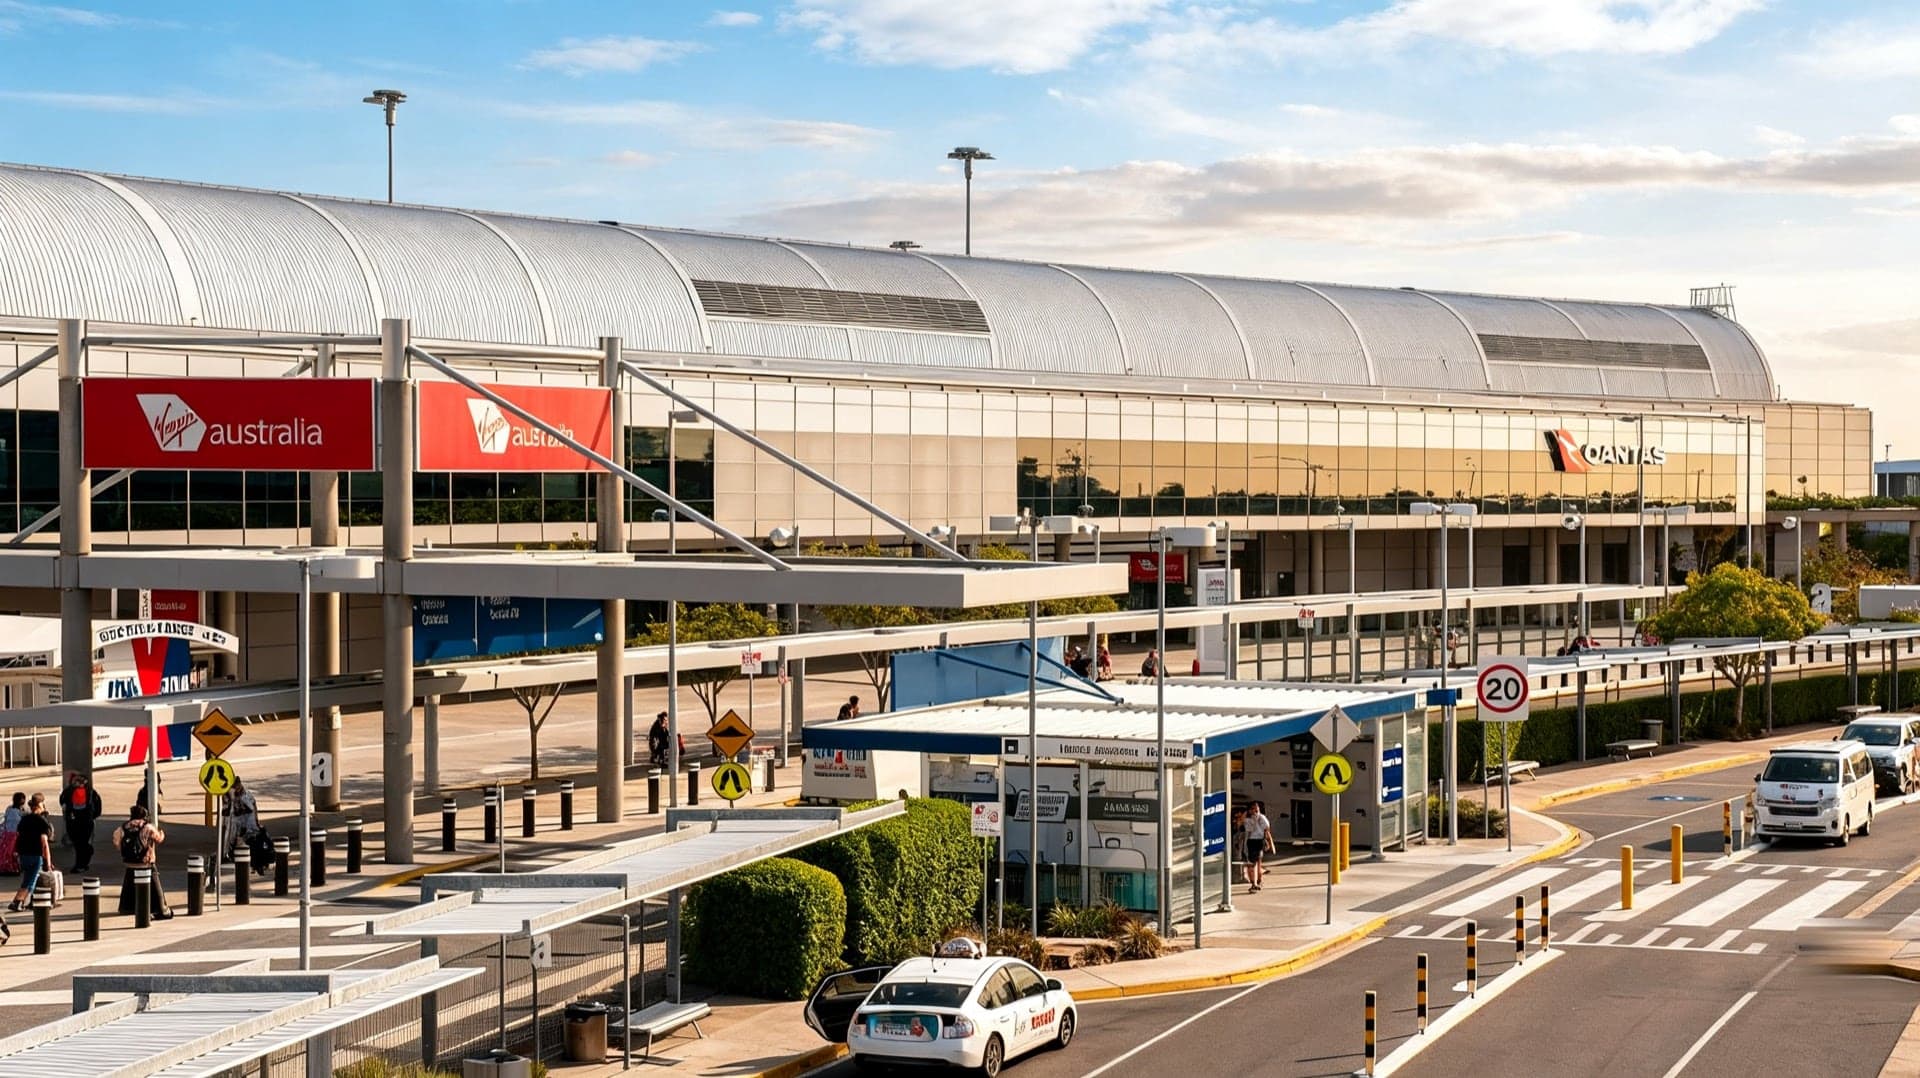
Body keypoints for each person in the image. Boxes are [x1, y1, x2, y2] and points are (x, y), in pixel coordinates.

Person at [116, 805, 171, 919]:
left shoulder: (124, 827)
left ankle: (127, 907)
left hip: (130, 863)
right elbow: (158, 839)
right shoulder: (147, 827)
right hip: (145, 862)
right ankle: (161, 908)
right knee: (156, 887)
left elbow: (116, 841)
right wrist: (161, 832)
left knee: (129, 886)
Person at [9, 795, 52, 912]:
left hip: (23, 854)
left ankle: (27, 901)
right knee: (30, 882)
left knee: (28, 878)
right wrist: (48, 862)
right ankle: (17, 901)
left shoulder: (24, 819)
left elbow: (18, 834)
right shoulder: (41, 821)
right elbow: (44, 843)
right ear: (40, 805)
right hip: (35, 854)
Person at [59, 773, 102, 874]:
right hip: (87, 822)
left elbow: (62, 802)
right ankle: (83, 861)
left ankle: (80, 865)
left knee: (78, 845)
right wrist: (92, 816)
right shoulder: (91, 792)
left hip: (73, 822)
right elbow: (98, 807)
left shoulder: (68, 791)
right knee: (84, 843)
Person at [1243, 800, 1274, 893]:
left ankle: (1254, 883)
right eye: (1253, 809)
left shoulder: (1260, 818)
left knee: (1253, 863)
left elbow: (1266, 829)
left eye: (1257, 809)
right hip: (1254, 841)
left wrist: (1268, 841)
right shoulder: (1250, 819)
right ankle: (1258, 881)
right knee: (1257, 862)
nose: (1255, 812)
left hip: (1256, 841)